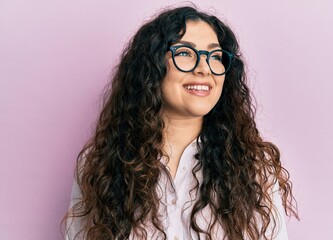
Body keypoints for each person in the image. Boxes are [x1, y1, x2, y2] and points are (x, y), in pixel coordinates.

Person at [63, 5, 298, 240]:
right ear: (152, 66)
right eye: (185, 53)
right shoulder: (100, 163)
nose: (205, 69)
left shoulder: (255, 166)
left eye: (215, 56)